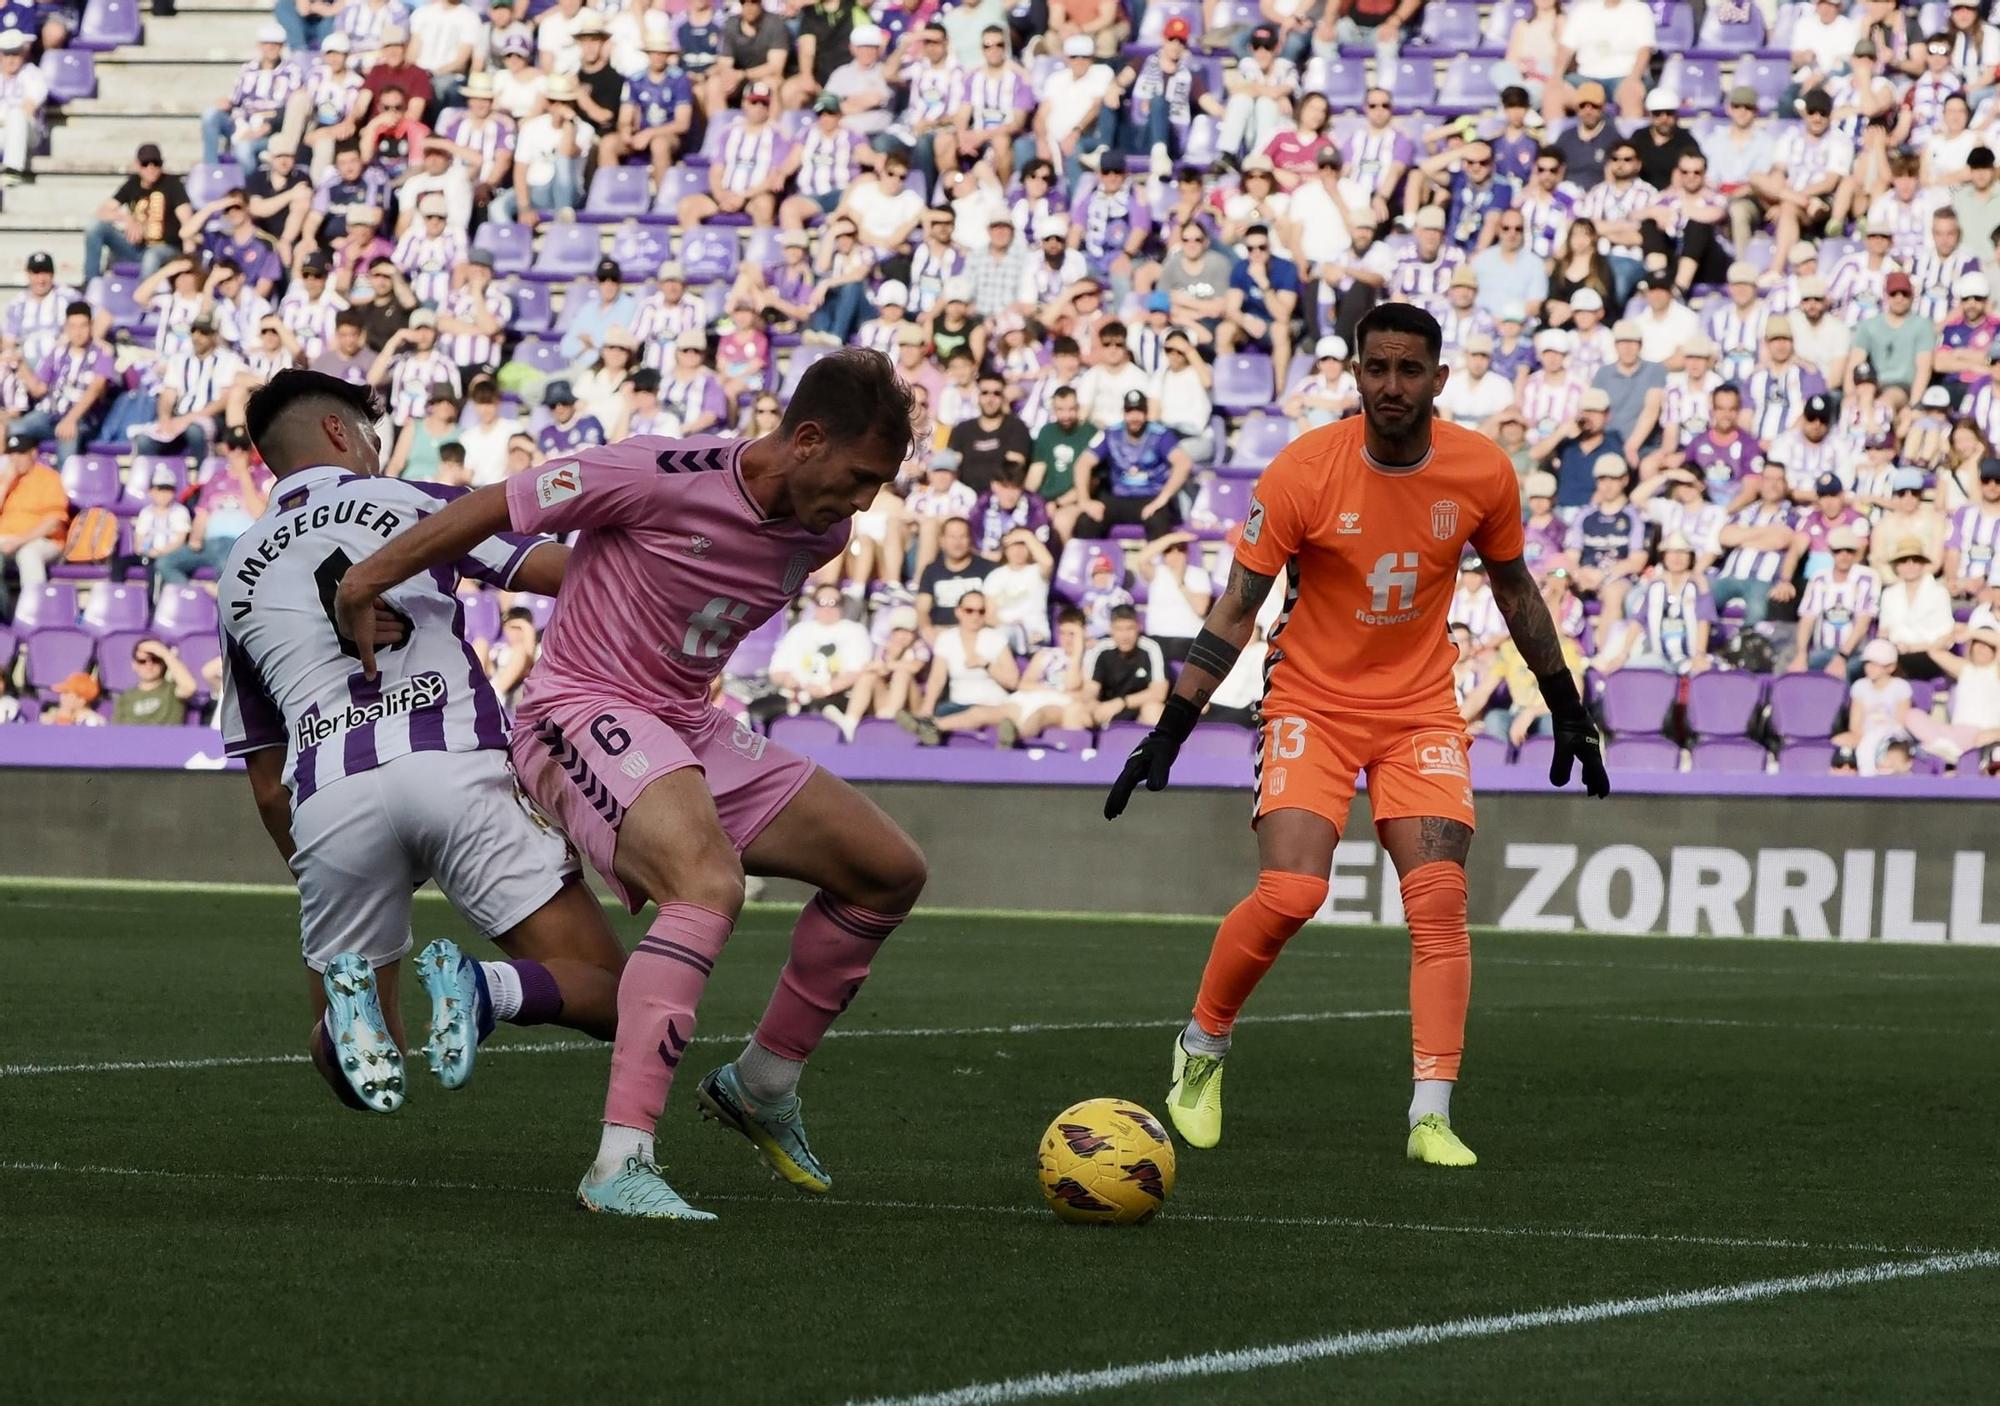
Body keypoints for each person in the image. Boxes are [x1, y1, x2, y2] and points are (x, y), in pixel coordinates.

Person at [333, 349, 928, 1220]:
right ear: (805, 440)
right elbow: (495, 507)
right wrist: (365, 578)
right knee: (709, 883)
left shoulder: (822, 530)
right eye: (861, 475)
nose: (866, 502)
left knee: (888, 870)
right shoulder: (655, 470)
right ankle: (621, 1163)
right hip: (576, 711)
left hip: (684, 723)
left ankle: (761, 1086)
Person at [1103, 302, 1608, 1168]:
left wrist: (1564, 701)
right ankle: (1201, 1047)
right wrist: (1173, 725)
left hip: (1420, 712)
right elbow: (1238, 604)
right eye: (1376, 368)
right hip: (1311, 705)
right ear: (1355, 375)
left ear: (1440, 380)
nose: (1391, 386)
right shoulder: (1304, 471)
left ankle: (1431, 1113)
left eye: (1410, 370)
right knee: (1295, 893)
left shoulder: (1482, 470)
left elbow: (1518, 593)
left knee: (1439, 905)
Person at [217, 369, 627, 1124]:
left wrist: (319, 870)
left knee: (362, 1061)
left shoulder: (236, 570)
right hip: (452, 766)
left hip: (329, 798)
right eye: (370, 432)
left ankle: (351, 1013)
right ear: (340, 432)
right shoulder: (410, 499)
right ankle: (485, 987)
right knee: (613, 993)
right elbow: (563, 573)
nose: (377, 446)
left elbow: (267, 783)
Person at [1072, 388, 1193, 540]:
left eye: (1139, 411)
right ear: (1124, 413)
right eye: (1130, 411)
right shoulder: (1110, 434)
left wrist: (1162, 499)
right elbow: (1083, 463)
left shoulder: (1161, 435)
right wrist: (1084, 501)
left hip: (1151, 496)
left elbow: (1183, 463)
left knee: (1158, 521)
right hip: (1119, 496)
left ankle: (1153, 563)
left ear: (1146, 413)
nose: (1134, 417)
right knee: (1087, 521)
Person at [113, 638, 199, 725]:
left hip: (167, 738)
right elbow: (116, 731)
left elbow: (190, 688)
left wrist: (164, 653)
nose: (149, 665)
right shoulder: (125, 697)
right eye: (142, 661)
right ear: (134, 665)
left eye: (155, 660)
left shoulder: (172, 690)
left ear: (163, 662)